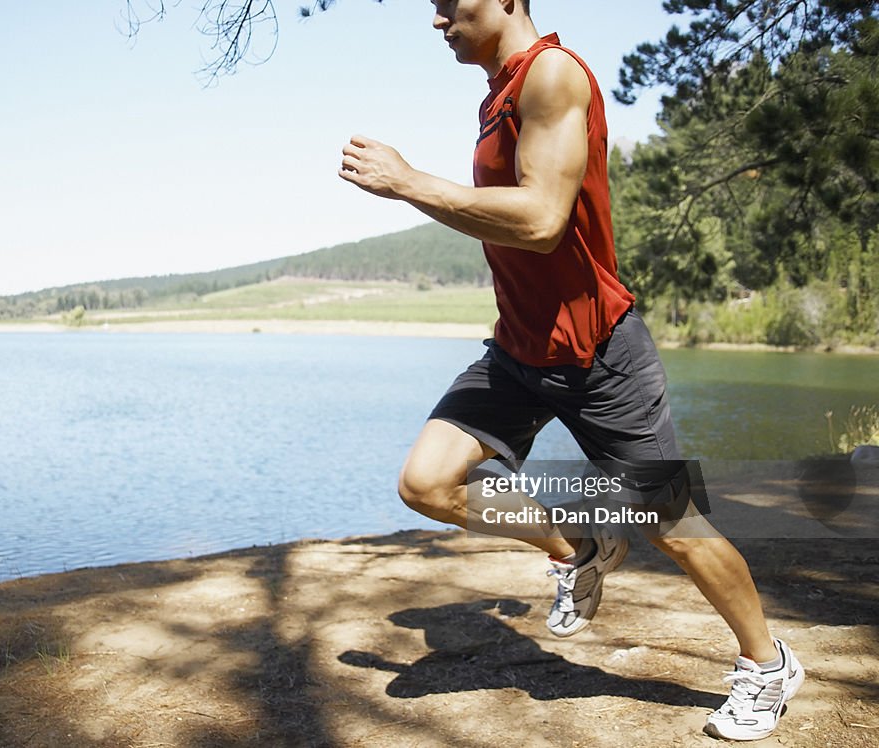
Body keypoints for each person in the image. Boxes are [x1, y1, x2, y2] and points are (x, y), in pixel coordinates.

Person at [337, 0, 804, 741]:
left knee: (671, 523)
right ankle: (578, 547)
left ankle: (768, 664)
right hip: (518, 348)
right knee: (427, 482)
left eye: (448, 3)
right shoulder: (499, 93)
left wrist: (408, 181)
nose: (437, 20)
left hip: (596, 355)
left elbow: (541, 219)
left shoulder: (551, 75)